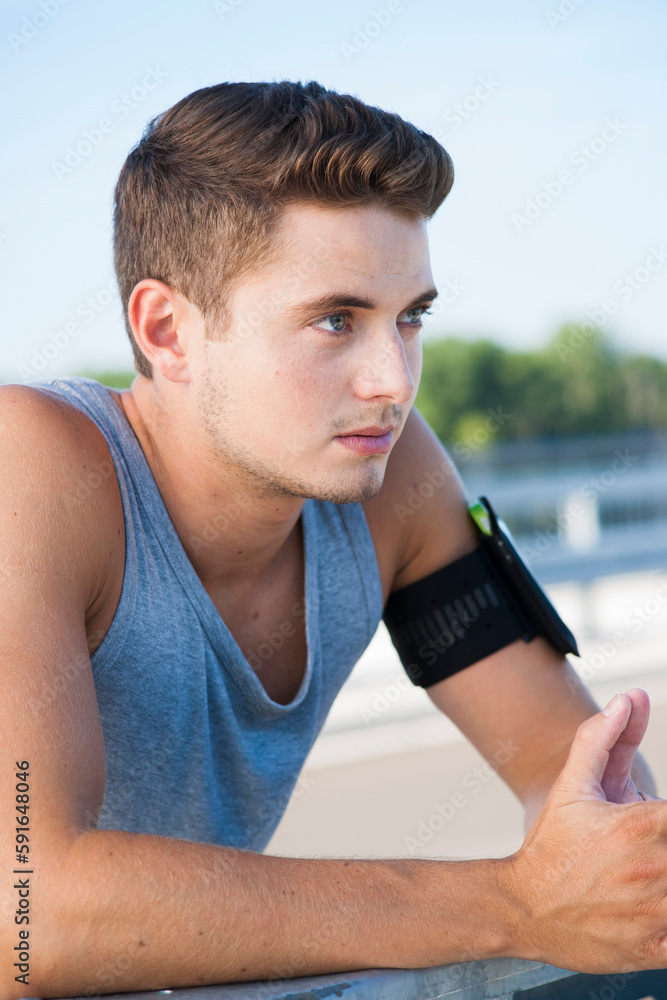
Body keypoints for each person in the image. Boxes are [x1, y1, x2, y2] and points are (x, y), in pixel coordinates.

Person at [1, 80, 665, 998]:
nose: (393, 381)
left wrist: (611, 873)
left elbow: (573, 780)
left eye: (411, 317)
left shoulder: (389, 483)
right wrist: (517, 902)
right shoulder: (30, 467)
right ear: (168, 332)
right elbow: (29, 917)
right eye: (334, 320)